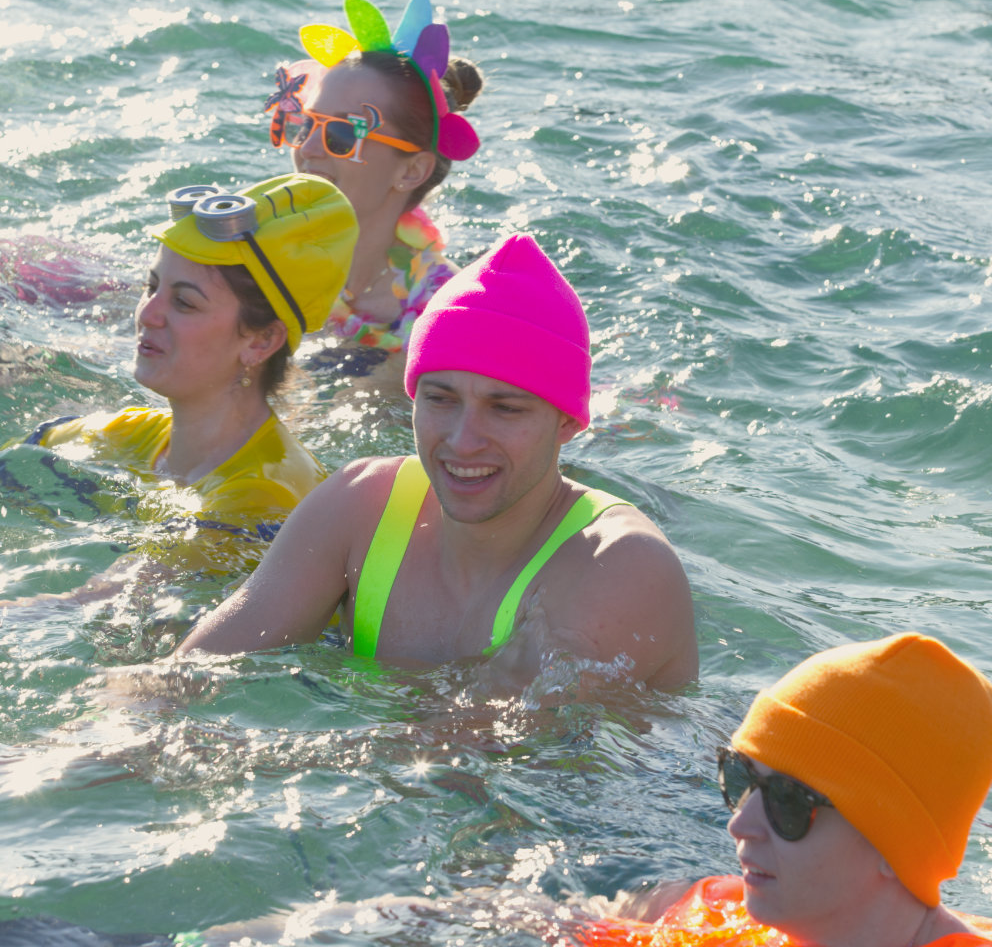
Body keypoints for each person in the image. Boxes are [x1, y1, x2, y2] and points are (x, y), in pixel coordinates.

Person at [174, 232, 698, 691]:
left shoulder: (620, 565)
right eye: (441, 399)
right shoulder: (360, 505)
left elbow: (474, 752)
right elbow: (189, 675)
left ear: (567, 422)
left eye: (505, 408)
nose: (463, 441)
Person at [577, 632, 992, 947]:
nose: (740, 823)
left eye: (788, 801)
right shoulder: (715, 913)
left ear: (892, 848)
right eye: (741, 778)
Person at [0, 173, 356, 588]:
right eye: (151, 286)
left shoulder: (264, 497)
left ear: (262, 340)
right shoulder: (132, 435)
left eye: (183, 302)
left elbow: (99, 602)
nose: (147, 314)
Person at [264, 0, 482, 375]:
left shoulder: (446, 316)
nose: (308, 149)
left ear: (411, 171)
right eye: (308, 125)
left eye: (343, 133)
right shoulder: (251, 257)